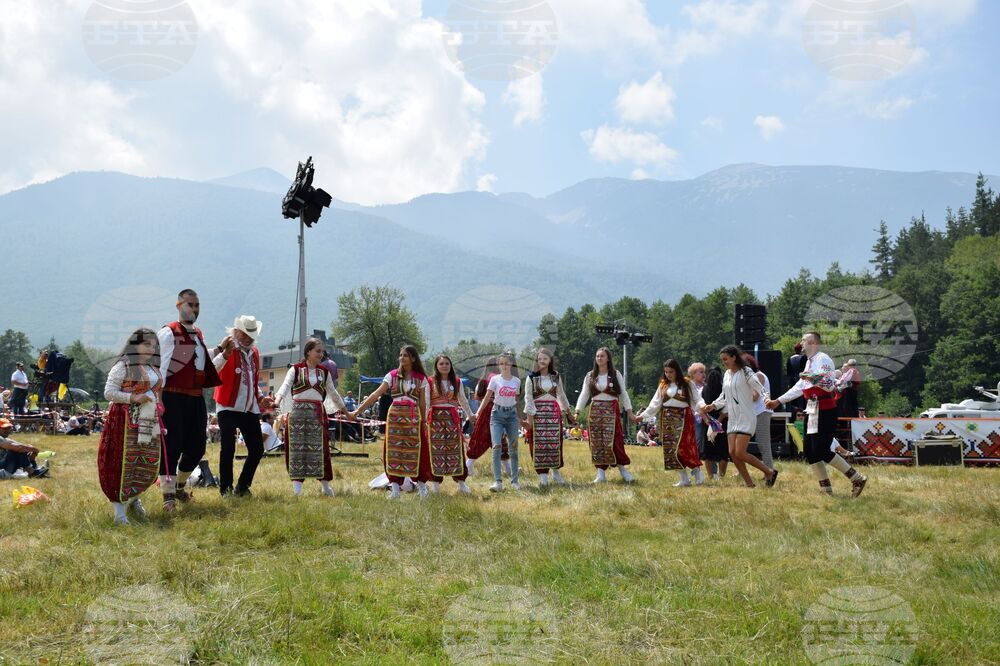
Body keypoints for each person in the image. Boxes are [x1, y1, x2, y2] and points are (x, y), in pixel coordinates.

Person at [767, 332, 867, 497]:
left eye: (804, 340)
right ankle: (826, 489)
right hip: (813, 408)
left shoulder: (823, 359)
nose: (801, 343)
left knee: (821, 450)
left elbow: (828, 385)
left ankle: (857, 478)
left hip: (825, 409)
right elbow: (801, 385)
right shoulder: (810, 362)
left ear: (812, 343)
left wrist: (810, 377)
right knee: (809, 450)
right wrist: (778, 400)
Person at [157, 289, 222, 512]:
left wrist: (223, 350)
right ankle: (168, 497)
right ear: (179, 305)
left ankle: (179, 487)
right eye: (189, 305)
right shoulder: (168, 333)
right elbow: (161, 369)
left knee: (197, 448)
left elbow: (201, 362)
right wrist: (159, 400)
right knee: (171, 448)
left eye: (196, 305)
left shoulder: (197, 334)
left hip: (195, 399)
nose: (193, 309)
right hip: (172, 397)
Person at [96, 328, 165, 524]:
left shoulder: (152, 367)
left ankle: (134, 499)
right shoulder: (124, 365)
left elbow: (155, 391)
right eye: (146, 344)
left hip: (148, 419)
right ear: (135, 344)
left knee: (144, 460)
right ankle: (120, 513)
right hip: (125, 421)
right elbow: (109, 392)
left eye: (153, 345)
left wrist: (158, 404)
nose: (150, 349)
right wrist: (133, 397)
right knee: (123, 462)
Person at [350, 345, 432, 499]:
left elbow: (422, 403)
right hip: (395, 417)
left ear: (413, 359)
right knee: (393, 450)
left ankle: (421, 487)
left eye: (405, 356)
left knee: (418, 451)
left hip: (413, 418)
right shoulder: (392, 375)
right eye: (400, 355)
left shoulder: (421, 379)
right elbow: (375, 394)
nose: (402, 358)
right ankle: (395, 489)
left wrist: (423, 420)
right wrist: (357, 411)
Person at [274, 337, 348, 497]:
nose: (321, 354)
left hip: (317, 415)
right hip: (297, 415)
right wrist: (277, 400)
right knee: (296, 451)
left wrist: (346, 411)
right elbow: (285, 387)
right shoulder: (295, 369)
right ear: (308, 352)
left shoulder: (324, 372)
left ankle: (326, 486)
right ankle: (297, 490)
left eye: (322, 351)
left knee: (321, 449)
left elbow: (333, 393)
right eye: (318, 351)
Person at [212, 315, 272, 498]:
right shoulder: (227, 348)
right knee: (228, 448)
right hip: (227, 405)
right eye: (245, 334)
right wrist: (224, 354)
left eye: (251, 335)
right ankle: (225, 489)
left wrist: (261, 398)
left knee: (257, 449)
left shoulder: (254, 352)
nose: (247, 338)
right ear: (236, 332)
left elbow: (252, 380)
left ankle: (242, 487)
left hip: (249, 408)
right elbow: (212, 370)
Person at [701, 346, 778, 489]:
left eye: (725, 359)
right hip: (733, 418)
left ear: (733, 357)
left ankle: (769, 472)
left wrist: (768, 399)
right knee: (732, 453)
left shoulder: (746, 372)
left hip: (746, 417)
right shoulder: (727, 375)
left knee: (740, 452)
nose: (724, 362)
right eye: (722, 360)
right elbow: (724, 396)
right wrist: (713, 405)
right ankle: (749, 483)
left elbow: (760, 389)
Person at [637, 359, 705, 486]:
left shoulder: (686, 383)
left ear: (676, 371)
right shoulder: (663, 385)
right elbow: (655, 404)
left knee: (684, 447)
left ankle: (696, 470)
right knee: (670, 449)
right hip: (667, 419)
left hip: (684, 418)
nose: (668, 374)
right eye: (666, 372)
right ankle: (683, 478)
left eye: (671, 372)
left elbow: (697, 399)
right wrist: (642, 416)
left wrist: (703, 407)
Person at [574, 347, 636, 484]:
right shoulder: (590, 375)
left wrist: (629, 411)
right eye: (597, 356)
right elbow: (584, 394)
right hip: (595, 410)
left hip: (611, 410)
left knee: (615, 440)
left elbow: (623, 394)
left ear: (608, 358)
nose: (599, 358)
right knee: (596, 442)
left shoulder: (615, 374)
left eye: (602, 356)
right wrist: (577, 411)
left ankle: (623, 470)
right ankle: (601, 474)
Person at [523, 348, 575, 487]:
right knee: (539, 445)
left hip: (553, 413)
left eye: (545, 358)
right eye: (539, 359)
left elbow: (561, 395)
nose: (542, 361)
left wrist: (568, 412)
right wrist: (529, 418)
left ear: (550, 360)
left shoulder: (555, 376)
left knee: (555, 443)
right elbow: (528, 398)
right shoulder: (531, 377)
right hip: (537, 414)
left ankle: (556, 473)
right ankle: (543, 476)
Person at [475, 351, 522, 492]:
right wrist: (478, 412)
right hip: (496, 415)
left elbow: (517, 400)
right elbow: (486, 397)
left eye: (507, 363)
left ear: (511, 364)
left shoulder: (517, 381)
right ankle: (498, 482)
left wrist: (520, 418)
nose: (504, 366)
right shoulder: (495, 379)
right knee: (496, 447)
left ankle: (514, 481)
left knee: (513, 448)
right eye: (501, 363)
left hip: (511, 416)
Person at [427, 355, 474, 494]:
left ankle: (461, 483)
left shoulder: (457, 382)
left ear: (450, 365)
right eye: (441, 363)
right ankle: (435, 484)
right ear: (436, 366)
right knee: (436, 450)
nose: (444, 366)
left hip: (452, 419)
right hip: (435, 419)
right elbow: (427, 401)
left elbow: (463, 400)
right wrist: (423, 419)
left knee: (456, 449)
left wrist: (470, 415)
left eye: (447, 363)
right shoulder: (430, 381)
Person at [464, 357, 512, 478]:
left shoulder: (483, 379)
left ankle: (468, 466)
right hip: (495, 410)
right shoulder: (496, 377)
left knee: (480, 438)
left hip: (485, 412)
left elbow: (478, 396)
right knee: (499, 440)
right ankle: (508, 469)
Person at [743, 353, 775, 470]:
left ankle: (769, 470)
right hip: (754, 413)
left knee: (763, 443)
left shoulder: (758, 375)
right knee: (742, 444)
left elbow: (755, 396)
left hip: (762, 412)